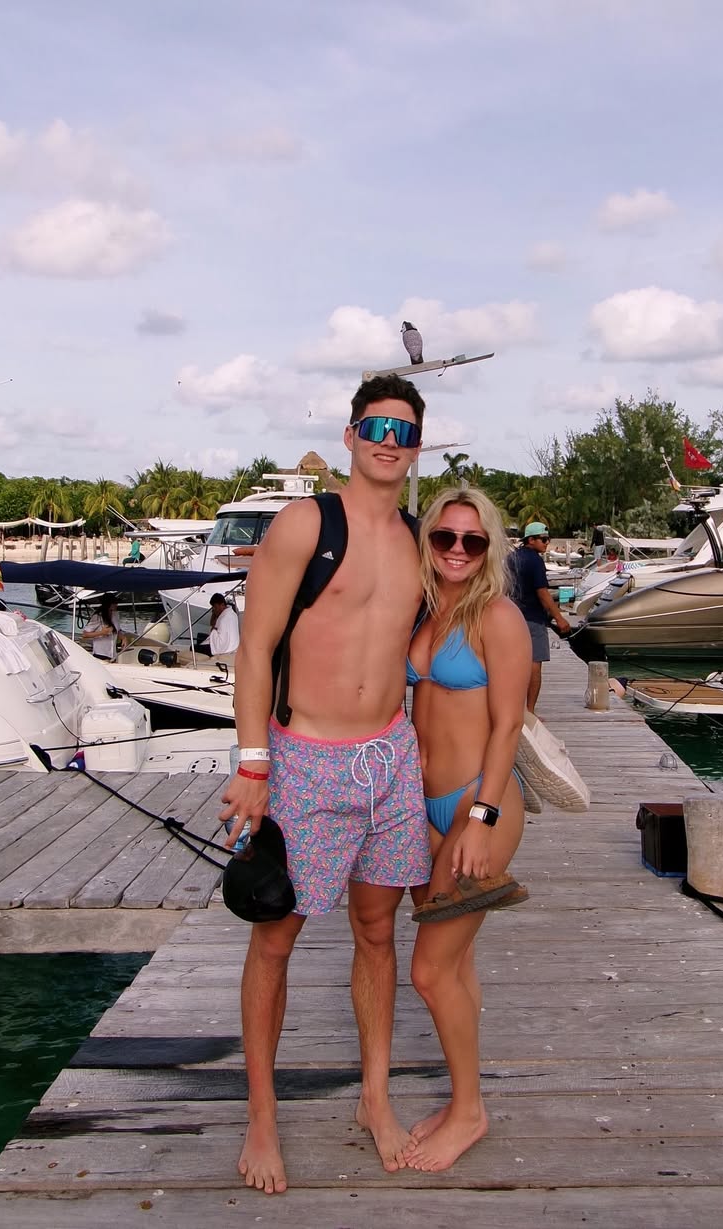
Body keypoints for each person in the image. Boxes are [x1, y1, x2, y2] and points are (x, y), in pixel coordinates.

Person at [218, 373, 433, 1194]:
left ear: (417, 449)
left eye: (404, 431)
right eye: (376, 426)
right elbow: (254, 648)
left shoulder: (419, 541)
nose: (388, 441)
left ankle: (374, 1097)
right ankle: (262, 1115)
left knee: (378, 930)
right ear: (350, 436)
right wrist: (253, 763)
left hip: (390, 759)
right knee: (275, 936)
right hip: (305, 759)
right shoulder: (307, 524)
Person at [405, 487, 531, 1173]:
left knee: (429, 971)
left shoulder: (498, 617)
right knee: (455, 964)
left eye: (472, 540)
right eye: (445, 537)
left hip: (478, 802)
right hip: (421, 805)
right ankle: (463, 1095)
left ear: (490, 548)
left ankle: (469, 1110)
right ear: (428, 540)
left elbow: (508, 724)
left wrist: (480, 819)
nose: (457, 549)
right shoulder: (425, 611)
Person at [506, 521, 571, 712]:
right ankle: (530, 711)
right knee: (535, 663)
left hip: (511, 618)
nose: (547, 543)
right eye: (543, 539)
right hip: (532, 618)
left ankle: (512, 708)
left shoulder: (511, 558)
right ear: (531, 540)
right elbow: (542, 593)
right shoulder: (535, 561)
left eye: (547, 539)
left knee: (513, 664)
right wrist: (559, 618)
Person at [81, 593, 126, 659]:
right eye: (114, 603)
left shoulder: (115, 615)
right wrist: (102, 633)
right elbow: (85, 634)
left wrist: (123, 638)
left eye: (116, 602)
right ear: (107, 604)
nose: (116, 604)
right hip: (100, 654)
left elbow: (117, 630)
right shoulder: (98, 616)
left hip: (112, 654)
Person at [195, 593, 240, 657]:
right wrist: (215, 613)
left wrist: (214, 631)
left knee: (193, 648)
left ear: (222, 605)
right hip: (232, 645)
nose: (213, 609)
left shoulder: (223, 618)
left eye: (215, 607)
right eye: (212, 607)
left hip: (222, 648)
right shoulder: (233, 614)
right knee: (200, 636)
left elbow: (213, 629)